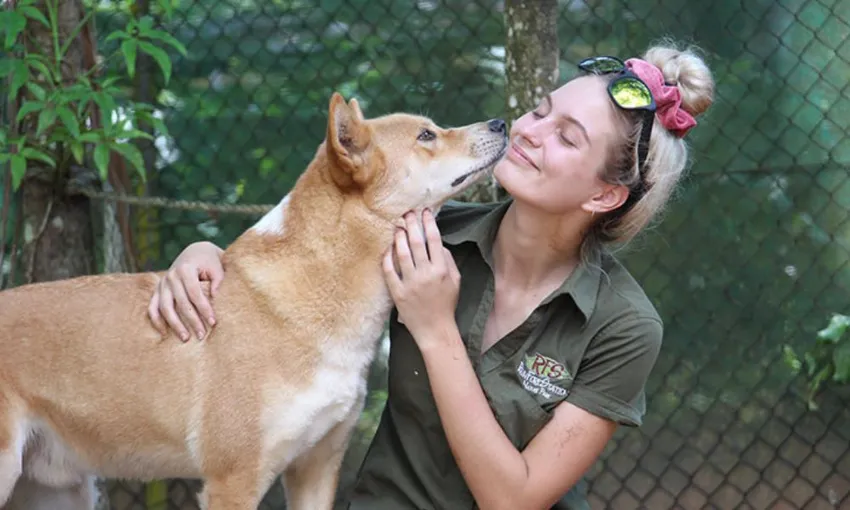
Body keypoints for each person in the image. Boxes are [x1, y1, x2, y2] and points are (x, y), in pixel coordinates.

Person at [147, 40, 715, 509]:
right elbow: (301, 251)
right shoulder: (419, 230)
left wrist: (434, 324)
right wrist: (205, 256)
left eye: (567, 136)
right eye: (540, 111)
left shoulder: (625, 325)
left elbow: (513, 499)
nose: (530, 130)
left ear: (604, 193)